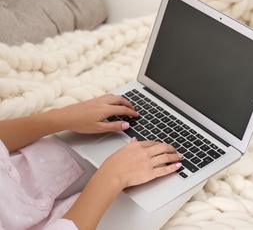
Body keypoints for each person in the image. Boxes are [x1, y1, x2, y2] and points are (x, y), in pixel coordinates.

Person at [0, 94, 183, 229]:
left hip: (11, 177)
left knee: (112, 137)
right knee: (174, 181)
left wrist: (56, 118)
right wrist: (111, 177)